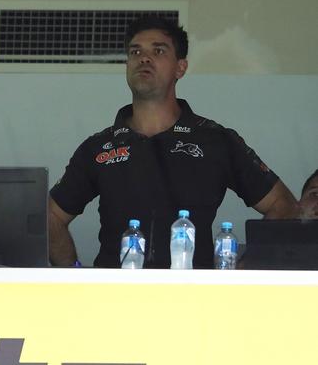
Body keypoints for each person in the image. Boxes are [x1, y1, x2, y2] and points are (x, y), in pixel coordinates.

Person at [49, 17, 298, 268]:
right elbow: (50, 217)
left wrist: (243, 272)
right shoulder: (98, 147)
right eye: (136, 51)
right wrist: (73, 274)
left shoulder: (216, 140)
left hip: (194, 298)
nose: (144, 58)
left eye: (158, 50)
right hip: (115, 296)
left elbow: (283, 205)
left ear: (180, 68)